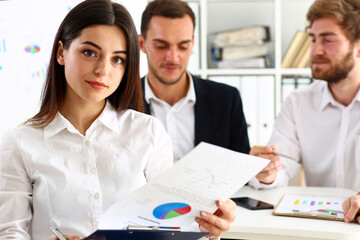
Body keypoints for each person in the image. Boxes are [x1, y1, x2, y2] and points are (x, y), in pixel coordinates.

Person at [0, 0, 235, 239]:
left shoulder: (148, 133)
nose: (103, 70)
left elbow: (171, 228)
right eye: (89, 52)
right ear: (61, 52)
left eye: (117, 59)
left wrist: (207, 230)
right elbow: (10, 232)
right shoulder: (20, 143)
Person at [248, 0, 360, 224]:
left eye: (328, 40)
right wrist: (267, 173)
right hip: (320, 227)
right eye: (313, 39)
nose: (316, 50)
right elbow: (281, 168)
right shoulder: (298, 102)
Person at [138, 0, 250, 161]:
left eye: (183, 46)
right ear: (142, 43)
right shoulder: (120, 102)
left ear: (192, 44)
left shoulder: (226, 99)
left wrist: (263, 174)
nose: (173, 57)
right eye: (161, 45)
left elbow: (243, 171)